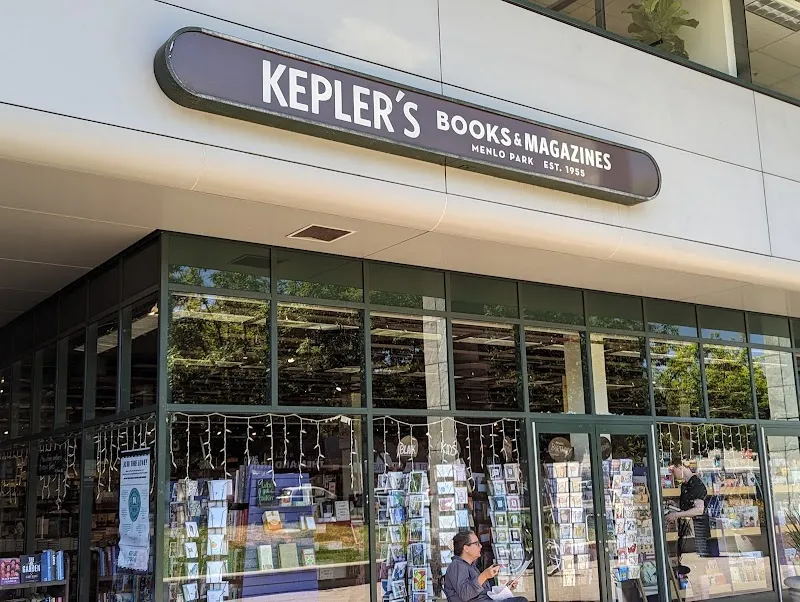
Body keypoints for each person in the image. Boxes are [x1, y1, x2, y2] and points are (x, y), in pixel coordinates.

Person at [443, 531, 527, 602]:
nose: (480, 546)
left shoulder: (470, 566)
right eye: (476, 544)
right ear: (466, 548)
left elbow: (484, 592)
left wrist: (506, 587)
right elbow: (465, 594)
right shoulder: (457, 566)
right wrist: (484, 576)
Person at [664, 456, 710, 578]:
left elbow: (698, 510)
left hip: (695, 531)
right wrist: (676, 506)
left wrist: (677, 514)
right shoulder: (685, 485)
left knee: (697, 569)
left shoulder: (697, 485)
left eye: (673, 471)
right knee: (685, 564)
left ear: (680, 467)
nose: (673, 475)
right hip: (686, 531)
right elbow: (688, 506)